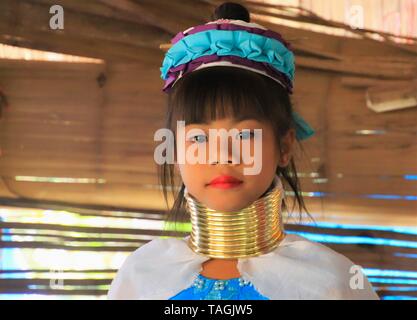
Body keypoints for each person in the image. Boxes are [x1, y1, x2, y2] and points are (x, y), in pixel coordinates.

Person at [107, 2, 379, 300]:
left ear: (284, 146)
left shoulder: (330, 283)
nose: (222, 155)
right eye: (198, 138)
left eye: (245, 134)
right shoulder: (143, 276)